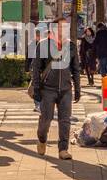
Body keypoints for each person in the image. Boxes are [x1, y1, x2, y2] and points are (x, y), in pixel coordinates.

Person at [30, 17, 81, 161]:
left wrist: (77, 88)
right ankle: (41, 138)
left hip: (65, 88)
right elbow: (36, 68)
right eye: (59, 27)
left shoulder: (70, 46)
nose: (62, 30)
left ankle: (63, 149)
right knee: (46, 118)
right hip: (47, 89)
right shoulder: (43, 45)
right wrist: (37, 88)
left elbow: (76, 68)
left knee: (65, 120)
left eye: (65, 27)